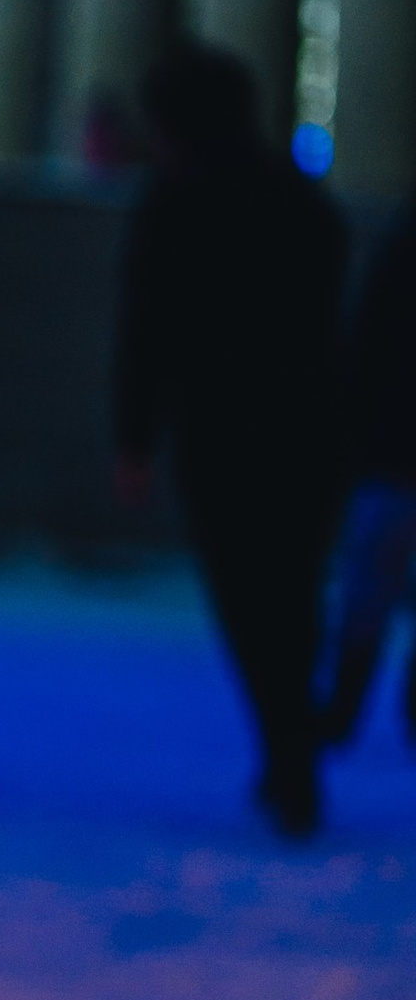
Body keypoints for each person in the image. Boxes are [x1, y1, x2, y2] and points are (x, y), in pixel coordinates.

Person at [116, 40, 347, 838]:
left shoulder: (172, 205)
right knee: (294, 590)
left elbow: (146, 331)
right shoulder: (302, 201)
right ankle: (295, 743)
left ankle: (288, 748)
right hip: (308, 428)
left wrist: (135, 438)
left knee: (248, 597)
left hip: (219, 432)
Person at [316, 199, 416, 750]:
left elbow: (365, 346)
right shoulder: (398, 254)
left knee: (367, 586)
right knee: (369, 582)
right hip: (389, 451)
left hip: (388, 451)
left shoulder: (397, 253)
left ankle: (344, 706)